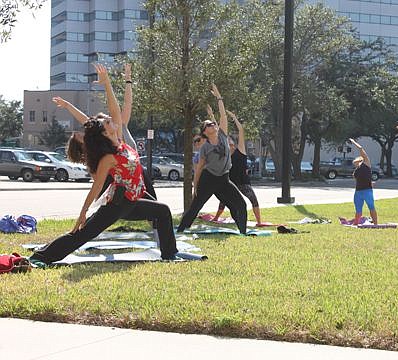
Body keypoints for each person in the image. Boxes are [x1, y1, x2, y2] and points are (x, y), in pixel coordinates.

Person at [28, 64, 180, 267]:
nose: (111, 119)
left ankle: (169, 254)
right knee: (81, 235)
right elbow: (97, 187)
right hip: (116, 205)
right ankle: (41, 257)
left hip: (133, 202)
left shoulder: (121, 142)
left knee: (162, 211)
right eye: (108, 122)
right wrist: (82, 213)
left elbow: (114, 109)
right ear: (105, 132)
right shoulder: (109, 157)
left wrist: (107, 83)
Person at [54, 63, 157, 200]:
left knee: (157, 210)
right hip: (126, 184)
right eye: (82, 136)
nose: (108, 119)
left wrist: (127, 80)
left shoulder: (118, 126)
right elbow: (88, 120)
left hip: (136, 172)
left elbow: (125, 104)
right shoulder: (108, 142)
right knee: (155, 210)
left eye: (106, 120)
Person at [176, 84, 248, 234]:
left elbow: (222, 115)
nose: (212, 124)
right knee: (195, 207)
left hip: (224, 179)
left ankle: (243, 231)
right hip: (208, 180)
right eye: (208, 124)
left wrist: (218, 97)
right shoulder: (205, 147)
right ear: (205, 132)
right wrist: (196, 186)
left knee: (240, 204)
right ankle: (181, 231)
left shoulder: (222, 135)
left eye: (212, 123)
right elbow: (199, 168)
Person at [212, 110, 263, 225]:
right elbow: (219, 134)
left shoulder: (241, 151)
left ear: (234, 145)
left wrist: (234, 117)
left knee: (253, 200)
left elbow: (241, 131)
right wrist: (213, 117)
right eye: (227, 143)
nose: (227, 144)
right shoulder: (224, 155)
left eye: (230, 143)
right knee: (223, 201)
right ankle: (216, 218)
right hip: (231, 183)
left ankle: (259, 221)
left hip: (243, 182)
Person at [349, 138, 377, 225]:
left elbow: (360, 148)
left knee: (371, 207)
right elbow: (359, 179)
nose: (355, 164)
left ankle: (376, 224)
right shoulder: (356, 170)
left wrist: (353, 142)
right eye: (355, 164)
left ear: (360, 160)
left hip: (367, 191)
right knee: (358, 209)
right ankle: (356, 223)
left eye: (356, 163)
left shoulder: (366, 163)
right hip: (358, 191)